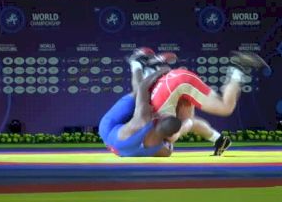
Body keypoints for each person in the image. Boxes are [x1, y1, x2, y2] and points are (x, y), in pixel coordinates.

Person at [99, 48, 267, 157]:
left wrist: (161, 70)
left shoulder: (142, 123)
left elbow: (142, 89)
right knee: (187, 121)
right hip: (172, 87)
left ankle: (141, 64)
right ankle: (219, 139)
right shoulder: (151, 136)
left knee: (223, 108)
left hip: (176, 83)